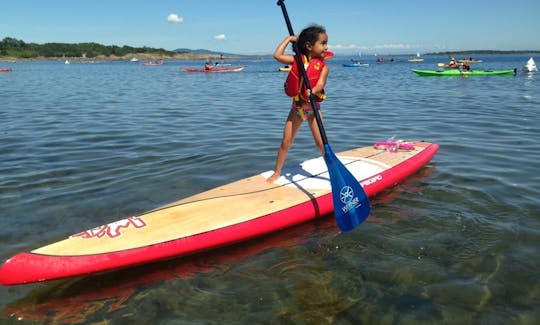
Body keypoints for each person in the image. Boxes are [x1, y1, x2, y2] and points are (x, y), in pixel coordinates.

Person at [266, 24, 329, 183]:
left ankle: (333, 171)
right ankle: (277, 172)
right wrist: (289, 39)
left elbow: (320, 83)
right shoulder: (296, 60)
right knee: (285, 142)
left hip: (314, 109)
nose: (326, 47)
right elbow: (277, 55)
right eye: (322, 43)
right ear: (309, 46)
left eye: (326, 43)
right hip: (297, 109)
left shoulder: (323, 66)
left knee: (321, 143)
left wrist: (313, 90)